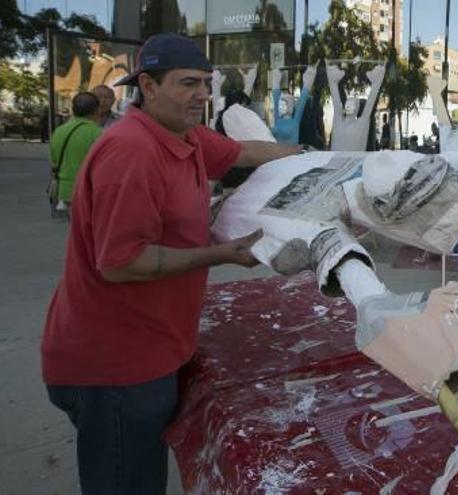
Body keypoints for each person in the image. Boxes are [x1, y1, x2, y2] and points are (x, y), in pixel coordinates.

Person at [40, 33, 303, 495]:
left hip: (151, 349)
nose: (202, 94)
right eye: (188, 83)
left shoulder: (185, 134)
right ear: (148, 84)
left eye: (206, 82)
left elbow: (241, 152)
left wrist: (316, 160)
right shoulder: (132, 150)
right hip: (116, 366)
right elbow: (123, 262)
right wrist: (222, 252)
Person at [48, 91, 103, 211]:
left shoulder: (59, 131)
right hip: (87, 191)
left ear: (73, 109)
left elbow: (54, 162)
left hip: (64, 191)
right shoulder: (98, 134)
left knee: (72, 226)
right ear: (97, 110)